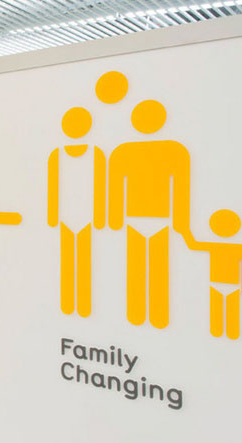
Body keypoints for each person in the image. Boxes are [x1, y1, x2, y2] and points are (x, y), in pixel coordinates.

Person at [108, 99, 191, 329]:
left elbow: (181, 188)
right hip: (135, 219)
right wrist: (114, 217)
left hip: (159, 220)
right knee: (137, 268)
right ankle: (138, 316)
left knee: (157, 269)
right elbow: (115, 187)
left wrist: (181, 222)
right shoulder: (123, 152)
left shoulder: (174, 150)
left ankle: (157, 318)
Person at [47, 106, 106, 317]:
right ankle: (68, 304)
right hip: (66, 218)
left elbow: (101, 187)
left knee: (84, 261)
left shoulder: (96, 154)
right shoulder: (57, 155)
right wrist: (53, 216)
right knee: (67, 262)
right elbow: (53, 187)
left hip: (87, 218)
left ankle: (83, 306)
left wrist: (100, 217)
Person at [183, 209, 242, 340]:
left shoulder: (241, 249)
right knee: (217, 311)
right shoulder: (221, 247)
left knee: (231, 309)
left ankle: (230, 332)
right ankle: (219, 332)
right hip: (216, 285)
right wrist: (184, 231)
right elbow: (193, 245)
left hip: (231, 287)